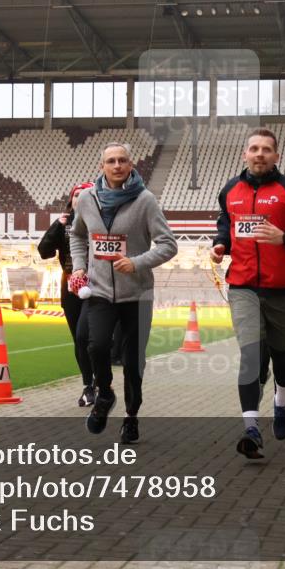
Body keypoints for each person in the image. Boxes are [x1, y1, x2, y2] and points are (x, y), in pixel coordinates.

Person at [211, 127, 285, 459]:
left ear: (276, 156)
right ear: (244, 154)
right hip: (242, 286)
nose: (259, 154)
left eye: (266, 149)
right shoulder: (229, 190)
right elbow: (226, 223)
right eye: (254, 149)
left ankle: (281, 402)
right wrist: (221, 244)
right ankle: (251, 427)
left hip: (281, 288)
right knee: (251, 355)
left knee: (281, 355)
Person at [70, 142, 177, 443]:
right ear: (102, 166)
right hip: (100, 291)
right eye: (111, 161)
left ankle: (131, 416)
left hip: (137, 294)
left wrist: (136, 262)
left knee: (133, 362)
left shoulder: (145, 200)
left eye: (122, 160)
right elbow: (77, 235)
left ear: (131, 165)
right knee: (96, 347)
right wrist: (79, 267)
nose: (117, 165)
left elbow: (168, 245)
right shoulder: (87, 199)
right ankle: (104, 394)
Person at [38, 181, 96, 407]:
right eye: (77, 195)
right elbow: (44, 251)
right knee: (79, 340)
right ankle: (88, 386)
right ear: (71, 200)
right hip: (70, 287)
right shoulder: (64, 225)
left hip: (97, 288)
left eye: (86, 193)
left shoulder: (101, 221)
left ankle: (100, 381)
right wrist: (56, 226)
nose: (80, 198)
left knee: (88, 337)